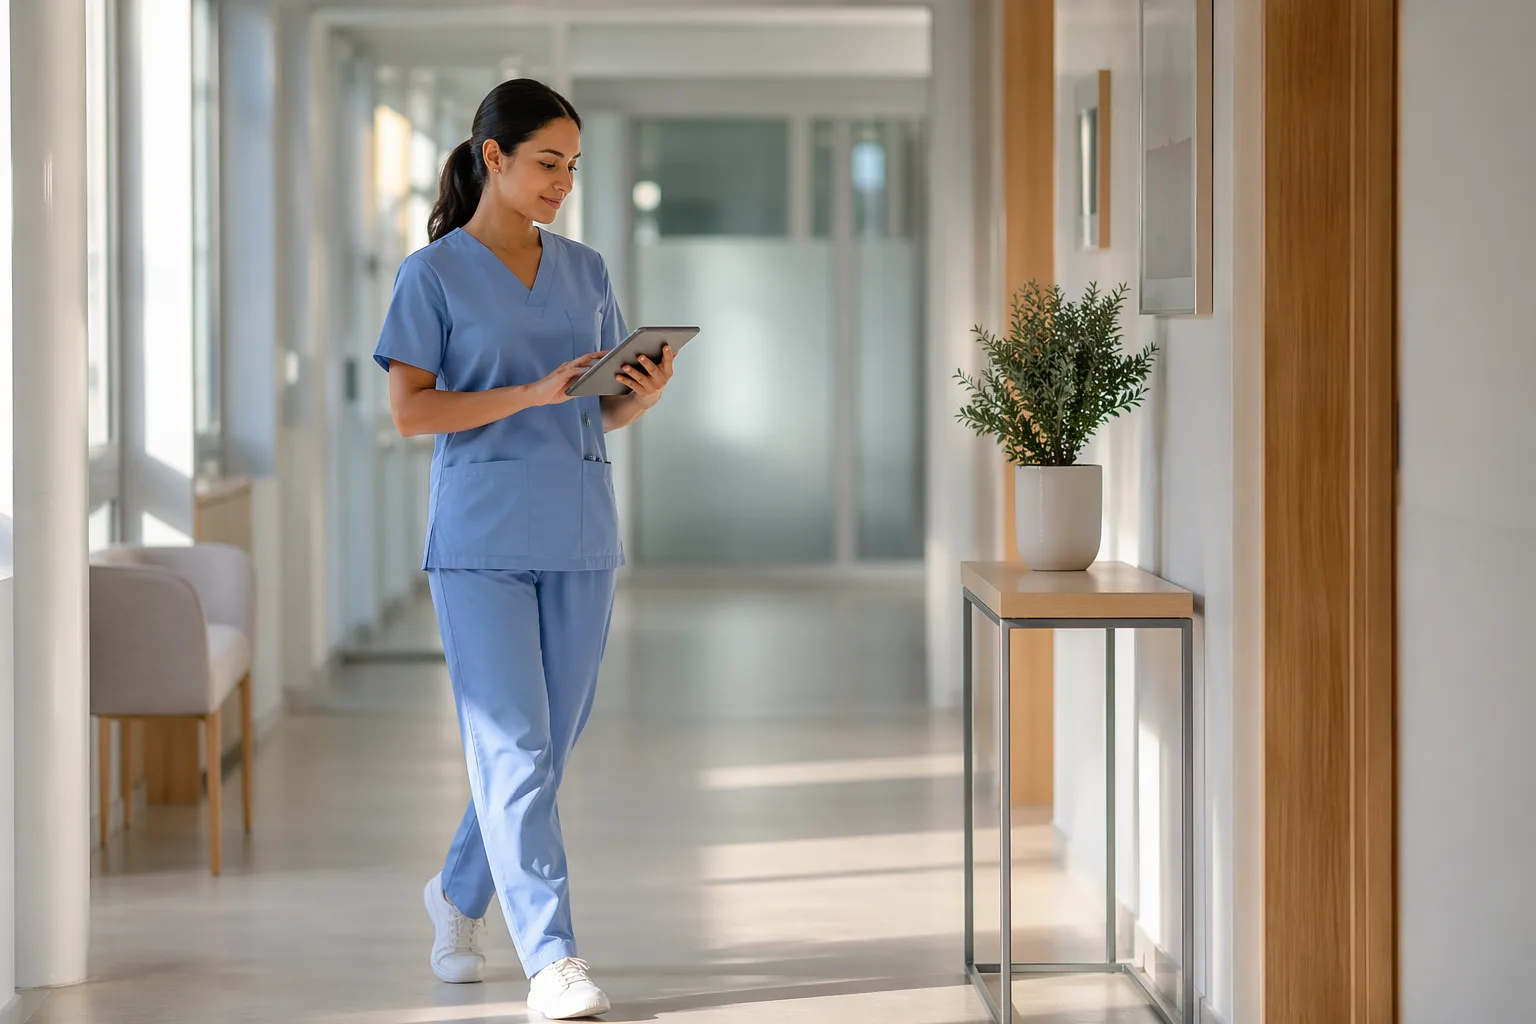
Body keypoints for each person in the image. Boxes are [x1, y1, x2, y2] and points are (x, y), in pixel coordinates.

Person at [373, 79, 674, 1021]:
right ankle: (553, 958)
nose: (562, 182)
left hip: (581, 527)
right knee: (511, 746)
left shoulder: (585, 271)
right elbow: (412, 409)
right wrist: (529, 395)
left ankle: (459, 891)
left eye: (572, 167)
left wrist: (640, 393)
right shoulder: (432, 275)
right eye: (547, 163)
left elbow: (600, 405)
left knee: (547, 748)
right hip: (482, 537)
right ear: (493, 157)